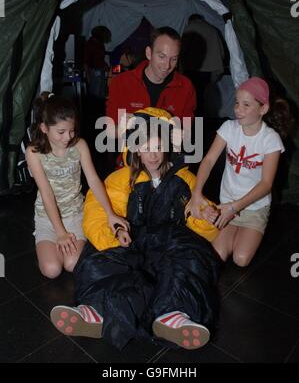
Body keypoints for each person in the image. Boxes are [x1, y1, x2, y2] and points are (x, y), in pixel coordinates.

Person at [50, 108, 221, 351]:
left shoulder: (185, 179)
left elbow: (201, 221)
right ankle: (94, 311)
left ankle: (174, 316)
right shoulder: (121, 178)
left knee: (190, 257)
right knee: (100, 259)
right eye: (146, 148)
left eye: (157, 147)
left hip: (168, 242)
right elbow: (99, 209)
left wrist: (205, 215)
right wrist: (115, 233)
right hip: (131, 239)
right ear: (136, 148)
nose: (152, 155)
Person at [186, 77, 291, 267]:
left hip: (253, 208)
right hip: (226, 205)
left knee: (241, 259)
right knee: (217, 254)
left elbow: (266, 184)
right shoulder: (229, 128)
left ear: (263, 109)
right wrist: (196, 192)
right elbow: (208, 160)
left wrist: (236, 207)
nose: (238, 109)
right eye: (236, 103)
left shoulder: (270, 140)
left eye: (246, 105)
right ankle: (232, 229)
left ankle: (253, 229)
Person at [26, 92, 129, 279]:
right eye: (61, 132)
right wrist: (60, 232)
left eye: (72, 130)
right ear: (44, 128)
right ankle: (47, 247)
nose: (68, 137)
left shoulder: (79, 145)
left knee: (72, 264)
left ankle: (73, 242)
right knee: (52, 270)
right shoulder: (33, 152)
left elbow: (93, 180)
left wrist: (110, 213)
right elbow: (46, 193)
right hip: (47, 217)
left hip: (75, 212)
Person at [106, 26, 197, 137]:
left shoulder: (186, 87)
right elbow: (110, 133)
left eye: (173, 59)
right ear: (149, 53)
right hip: (130, 152)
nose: (167, 65)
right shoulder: (121, 83)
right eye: (162, 56)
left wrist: (182, 136)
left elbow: (186, 134)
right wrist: (121, 128)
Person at [180, 14, 225, 116]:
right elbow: (221, 52)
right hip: (208, 71)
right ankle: (200, 128)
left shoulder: (189, 28)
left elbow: (182, 50)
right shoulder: (212, 29)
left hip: (192, 70)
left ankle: (193, 129)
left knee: (190, 100)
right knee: (200, 99)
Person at [84, 26, 111, 101]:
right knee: (95, 95)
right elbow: (86, 61)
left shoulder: (99, 44)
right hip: (94, 72)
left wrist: (105, 65)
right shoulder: (90, 43)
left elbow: (99, 58)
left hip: (100, 71)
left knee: (101, 95)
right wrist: (88, 75)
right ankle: (95, 110)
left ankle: (99, 110)